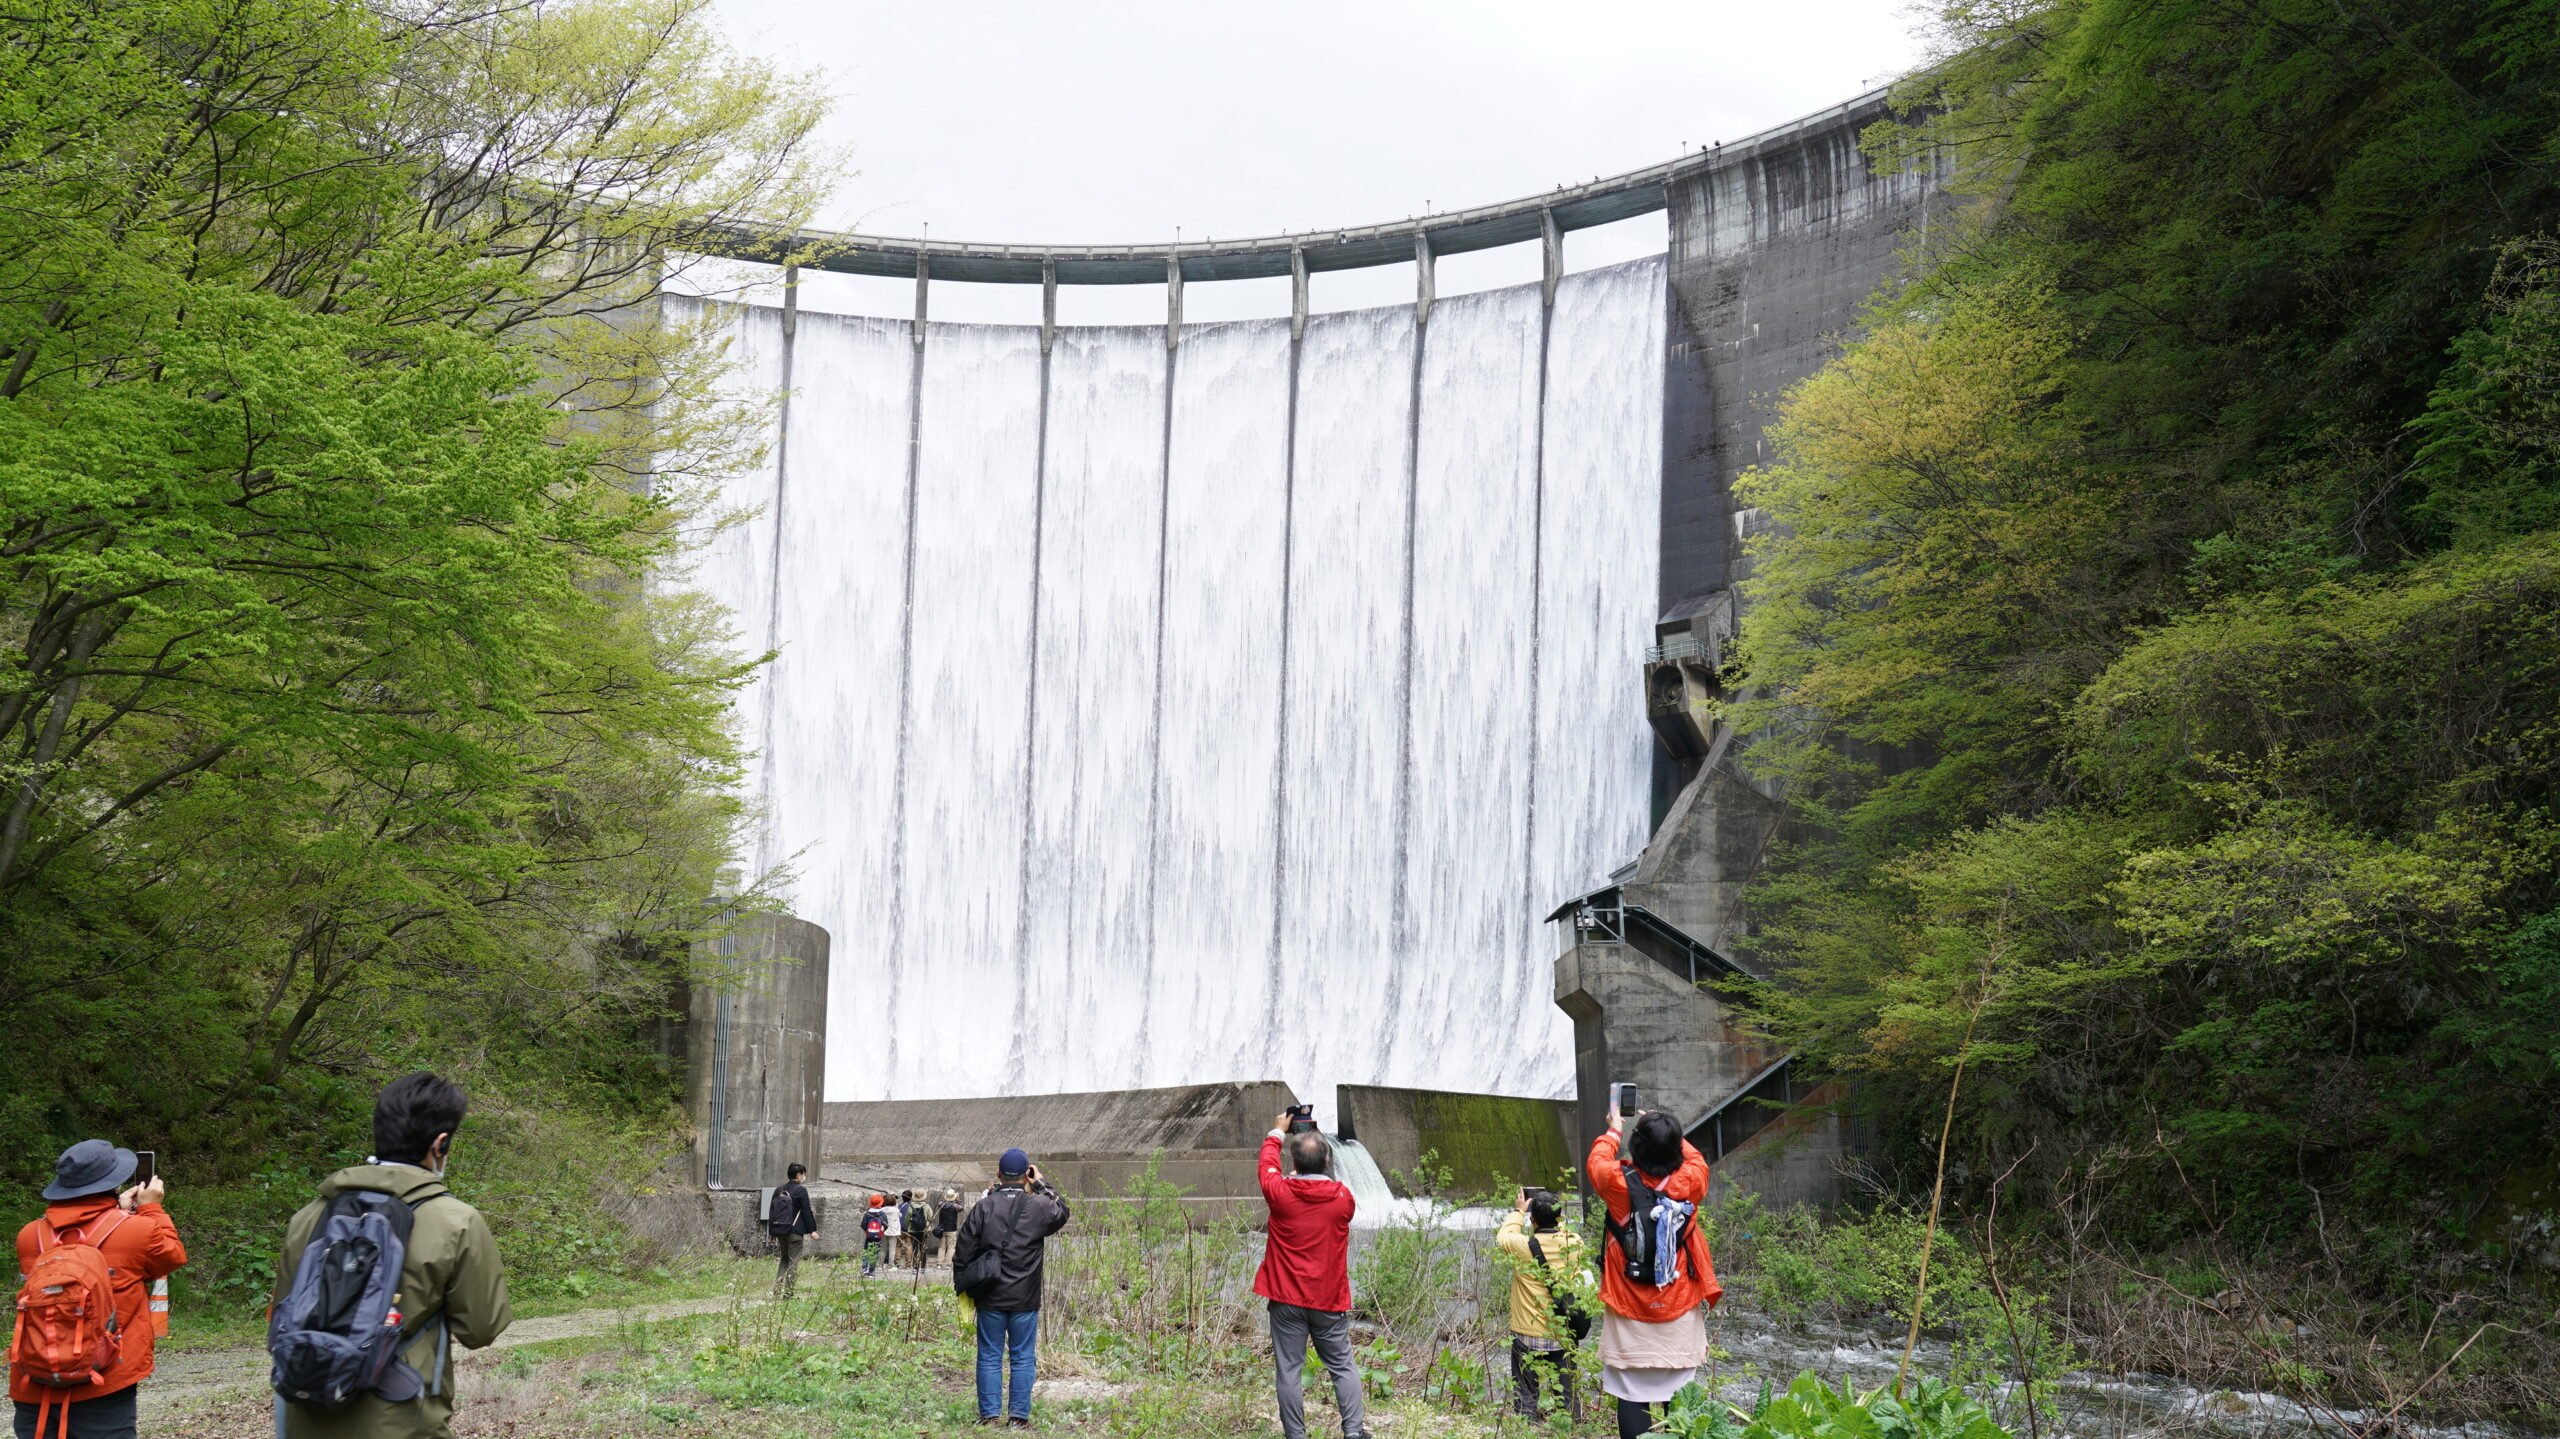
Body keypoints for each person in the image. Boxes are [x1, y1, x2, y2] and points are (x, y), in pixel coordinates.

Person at [271, 1071, 512, 1439]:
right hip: (402, 1419)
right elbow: (481, 1329)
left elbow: (281, 1319)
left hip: (304, 1414)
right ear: (440, 1144)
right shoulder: (457, 1222)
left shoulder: (310, 1216)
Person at [10, 1140, 188, 1439]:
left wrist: (115, 1212)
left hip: (36, 1380)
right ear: (113, 1181)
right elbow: (172, 1256)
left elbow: (76, 1237)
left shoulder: (30, 1235)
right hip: (105, 1379)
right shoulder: (138, 1229)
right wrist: (151, 1208)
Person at [1590, 1106, 1720, 1439]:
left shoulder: (1617, 1182)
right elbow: (1697, 1161)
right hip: (1678, 1303)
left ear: (1636, 1147)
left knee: (1632, 1393)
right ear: (1676, 1148)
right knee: (1679, 1391)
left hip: (1628, 1305)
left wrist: (1615, 1129)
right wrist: (1672, 1135)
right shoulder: (1691, 1180)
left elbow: (1597, 1161)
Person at [1251, 1114, 1369, 1439]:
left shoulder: (1280, 1192)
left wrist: (1277, 1130)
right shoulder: (1343, 1199)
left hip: (1286, 1299)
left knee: (1289, 1370)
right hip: (1327, 1300)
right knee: (1342, 1367)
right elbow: (1324, 1188)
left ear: (1294, 1161)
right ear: (1328, 1160)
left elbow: (1266, 1167)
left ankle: (1296, 1435)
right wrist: (1303, 1177)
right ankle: (1354, 1433)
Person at [950, 1149, 1070, 1427]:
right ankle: (1018, 1418)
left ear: (998, 1174)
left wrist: (965, 1288)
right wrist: (1040, 1183)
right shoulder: (1038, 1206)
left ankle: (989, 1415)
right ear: (1027, 1173)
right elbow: (1062, 1210)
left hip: (990, 1295)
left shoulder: (984, 1207)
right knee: (1023, 1356)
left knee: (989, 1355)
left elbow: (963, 1252)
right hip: (1025, 1297)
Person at [1495, 1188, 1587, 1420]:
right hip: (1561, 1333)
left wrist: (1519, 1210)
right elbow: (1563, 1231)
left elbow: (1504, 1235)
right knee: (1566, 1396)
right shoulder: (1573, 1245)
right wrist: (1554, 1214)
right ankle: (1570, 1427)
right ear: (1558, 1218)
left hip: (1528, 1335)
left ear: (1532, 1219)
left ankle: (1528, 1423)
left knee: (1525, 1392)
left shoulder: (1521, 1246)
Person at [769, 1163, 818, 1297]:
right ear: (798, 1175)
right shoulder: (801, 1191)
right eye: (803, 1174)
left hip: (780, 1230)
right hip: (795, 1232)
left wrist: (771, 1231)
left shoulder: (779, 1189)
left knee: (784, 1259)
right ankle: (788, 1293)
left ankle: (776, 1289)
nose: (804, 1176)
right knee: (793, 1261)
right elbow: (806, 1211)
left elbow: (772, 1211)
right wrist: (812, 1230)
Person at [901, 1189, 933, 1268]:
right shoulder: (926, 1206)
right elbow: (930, 1218)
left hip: (913, 1230)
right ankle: (923, 1266)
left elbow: (907, 1219)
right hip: (924, 1230)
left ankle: (915, 1266)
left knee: (915, 1247)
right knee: (923, 1248)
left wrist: (909, 1227)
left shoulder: (910, 1207)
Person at [934, 1189, 962, 1267]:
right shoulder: (955, 1206)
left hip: (942, 1228)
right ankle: (947, 1263)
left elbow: (942, 1201)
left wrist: (948, 1197)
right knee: (951, 1247)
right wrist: (958, 1199)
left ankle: (939, 1263)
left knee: (942, 1247)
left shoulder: (941, 1204)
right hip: (952, 1229)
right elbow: (961, 1207)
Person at [861, 1195, 888, 1277]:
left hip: (868, 1236)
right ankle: (871, 1272)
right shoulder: (882, 1214)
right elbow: (886, 1225)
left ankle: (864, 1269)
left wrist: (867, 1231)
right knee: (875, 1253)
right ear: (880, 1204)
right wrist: (880, 1232)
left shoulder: (867, 1214)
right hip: (878, 1237)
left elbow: (863, 1225)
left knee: (866, 1251)